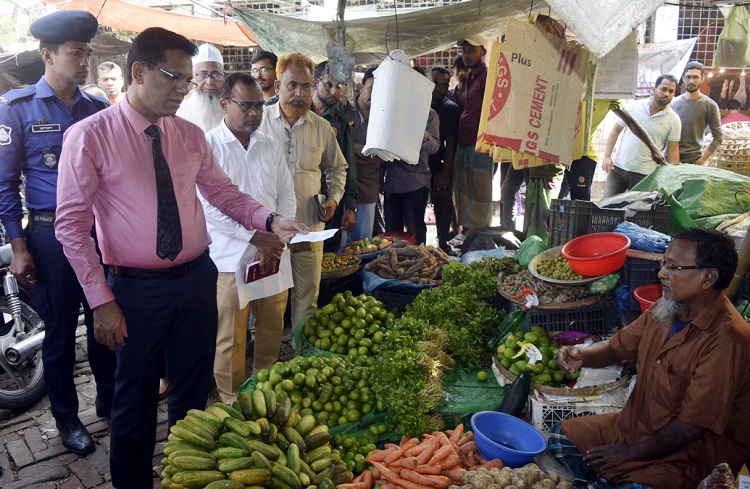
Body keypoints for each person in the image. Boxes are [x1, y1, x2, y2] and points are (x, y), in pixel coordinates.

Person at [53, 27, 307, 488]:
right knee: (135, 399)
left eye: (187, 80)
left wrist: (268, 221)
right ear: (138, 71)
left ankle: (182, 474)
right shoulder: (89, 137)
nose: (184, 89)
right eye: (174, 77)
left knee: (191, 392)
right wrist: (101, 300)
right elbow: (70, 227)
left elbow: (224, 193)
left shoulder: (189, 136)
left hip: (196, 280)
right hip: (134, 290)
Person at [550, 228, 750, 489]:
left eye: (673, 267)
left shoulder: (729, 340)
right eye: (663, 262)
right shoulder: (665, 308)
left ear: (708, 277)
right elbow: (617, 347)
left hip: (686, 455)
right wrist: (581, 356)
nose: (662, 273)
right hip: (635, 427)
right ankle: (604, 479)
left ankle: (609, 479)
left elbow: (691, 428)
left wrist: (628, 454)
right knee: (559, 437)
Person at [0, 10, 116, 457]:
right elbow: (6, 185)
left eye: (86, 52)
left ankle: (107, 396)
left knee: (106, 316)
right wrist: (19, 246)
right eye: (75, 53)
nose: (83, 61)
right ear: (48, 55)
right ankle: (67, 417)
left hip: (99, 232)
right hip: (50, 236)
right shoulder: (18, 108)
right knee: (61, 330)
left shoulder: (97, 108)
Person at [203, 73, 296, 404]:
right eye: (246, 105)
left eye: (259, 105)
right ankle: (231, 400)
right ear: (225, 104)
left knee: (272, 328)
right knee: (231, 336)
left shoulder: (268, 144)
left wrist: (278, 238)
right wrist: (257, 238)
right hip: (230, 257)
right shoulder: (209, 146)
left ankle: (263, 391)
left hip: (272, 253)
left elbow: (286, 194)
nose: (254, 113)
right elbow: (210, 208)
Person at [258, 52, 347, 331]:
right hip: (271, 231)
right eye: (292, 85)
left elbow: (337, 168)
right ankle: (269, 362)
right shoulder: (258, 124)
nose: (299, 93)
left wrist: (333, 198)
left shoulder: (322, 128)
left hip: (310, 228)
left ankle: (301, 356)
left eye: (306, 86)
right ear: (277, 87)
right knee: (271, 299)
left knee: (308, 298)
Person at [602, 74, 681, 197]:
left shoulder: (674, 120)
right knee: (606, 208)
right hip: (619, 169)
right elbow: (615, 131)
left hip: (645, 175)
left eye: (671, 91)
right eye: (663, 89)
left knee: (637, 212)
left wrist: (673, 175)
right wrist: (607, 156)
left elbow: (673, 149)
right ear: (654, 90)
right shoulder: (634, 106)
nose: (667, 94)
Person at [311, 60, 357, 252]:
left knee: (329, 253)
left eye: (339, 86)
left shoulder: (342, 123)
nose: (334, 91)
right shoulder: (299, 115)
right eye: (328, 85)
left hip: (332, 200)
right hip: (302, 197)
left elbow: (348, 165)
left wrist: (350, 206)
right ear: (315, 83)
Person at [453, 35, 494, 246]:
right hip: (466, 141)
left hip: (481, 144)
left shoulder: (488, 76)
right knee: (466, 190)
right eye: (464, 51)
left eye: (472, 51)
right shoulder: (470, 77)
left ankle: (481, 237)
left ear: (483, 52)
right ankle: (467, 233)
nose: (467, 55)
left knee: (480, 192)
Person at [383, 106, 439, 246]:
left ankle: (418, 265)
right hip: (392, 182)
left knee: (415, 234)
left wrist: (424, 135)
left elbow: (435, 147)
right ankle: (394, 266)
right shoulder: (392, 107)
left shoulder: (429, 113)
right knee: (391, 235)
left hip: (416, 182)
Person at [428, 66, 461, 251]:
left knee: (443, 195)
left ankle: (442, 241)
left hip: (438, 164)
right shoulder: (417, 103)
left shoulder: (450, 109)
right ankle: (415, 241)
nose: (439, 89)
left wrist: (445, 173)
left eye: (444, 85)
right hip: (416, 165)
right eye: (435, 84)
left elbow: (451, 144)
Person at [347, 67, 381, 243]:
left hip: (368, 187)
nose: (374, 95)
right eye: (371, 89)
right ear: (361, 87)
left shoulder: (382, 119)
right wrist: (363, 151)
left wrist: (349, 147)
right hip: (343, 188)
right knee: (341, 243)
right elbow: (335, 148)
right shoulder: (344, 111)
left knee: (363, 242)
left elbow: (377, 155)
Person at [672, 61, 722, 165]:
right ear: (683, 79)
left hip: (693, 160)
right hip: (670, 158)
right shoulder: (673, 103)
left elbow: (718, 137)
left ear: (702, 79)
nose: (691, 81)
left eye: (695, 77)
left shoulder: (710, 105)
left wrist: (702, 160)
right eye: (688, 77)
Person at [175, 43, 225, 132]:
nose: (209, 82)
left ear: (223, 76)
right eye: (202, 75)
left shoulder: (231, 108)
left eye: (216, 74)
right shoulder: (181, 109)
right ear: (192, 76)